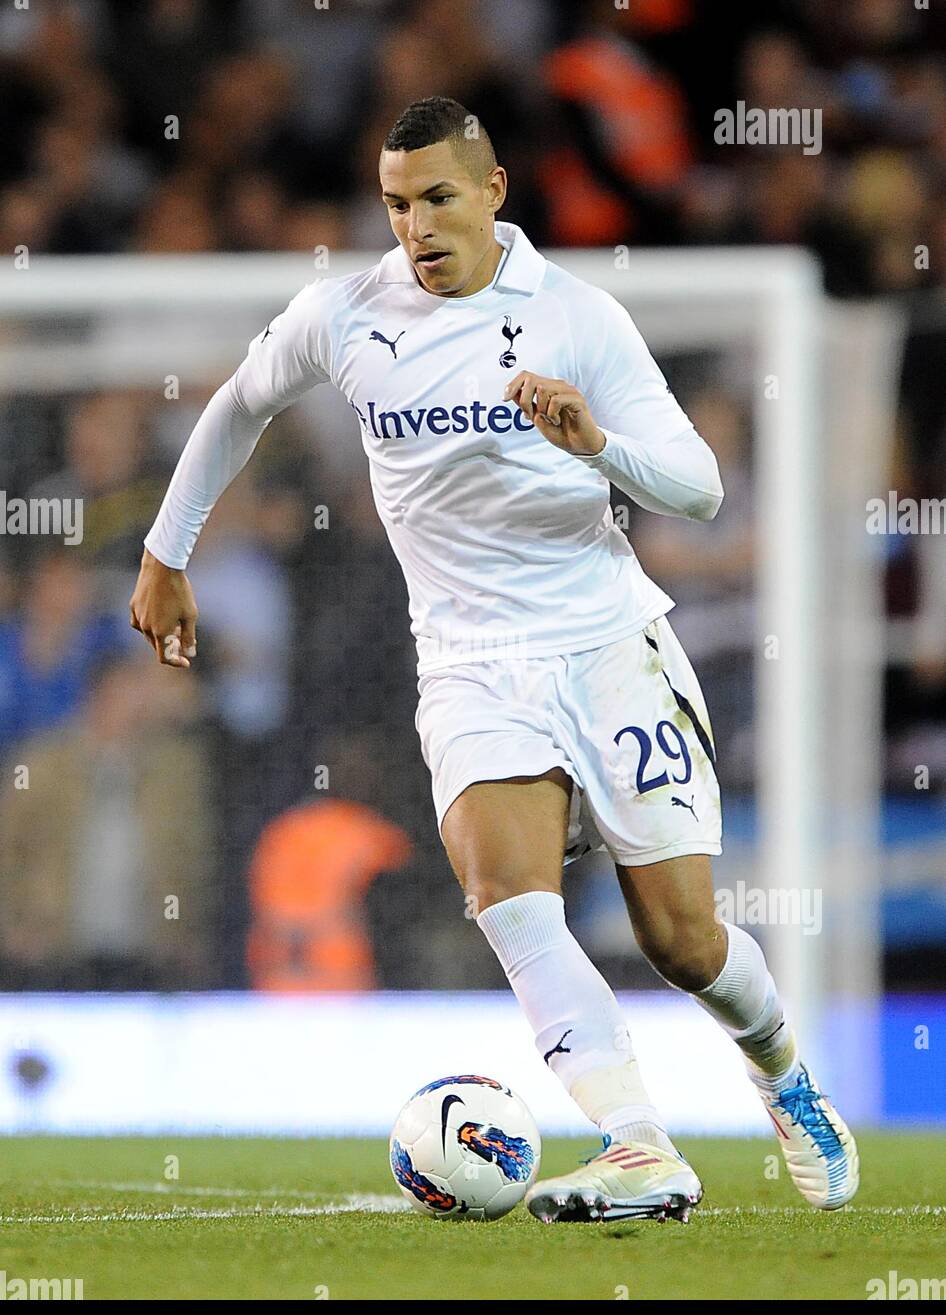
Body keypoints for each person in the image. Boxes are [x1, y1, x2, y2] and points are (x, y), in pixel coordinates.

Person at [130, 95, 858, 1224]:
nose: (414, 227)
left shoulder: (578, 318)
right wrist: (164, 553)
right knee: (507, 897)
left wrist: (596, 445)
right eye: (394, 205)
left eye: (435, 200)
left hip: (608, 646)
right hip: (469, 663)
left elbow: (701, 485)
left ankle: (785, 1076)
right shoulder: (343, 316)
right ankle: (637, 1145)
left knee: (684, 942)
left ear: (492, 192)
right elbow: (237, 405)